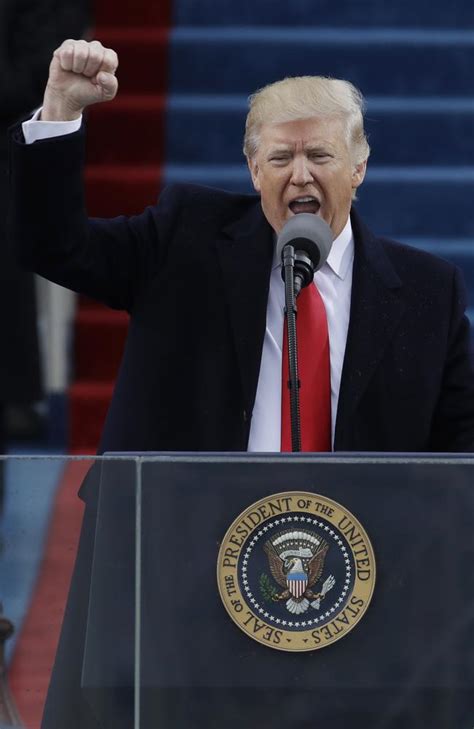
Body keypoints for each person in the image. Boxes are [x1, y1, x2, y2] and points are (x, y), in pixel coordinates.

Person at [7, 39, 474, 728]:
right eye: (280, 157)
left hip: (361, 591)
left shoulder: (428, 292)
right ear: (254, 170)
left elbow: (460, 453)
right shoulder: (185, 238)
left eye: (319, 155)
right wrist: (61, 112)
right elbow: (55, 246)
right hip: (185, 576)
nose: (300, 174)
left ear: (360, 167)